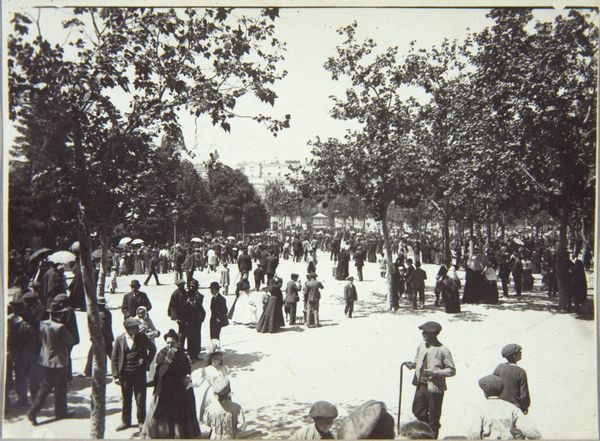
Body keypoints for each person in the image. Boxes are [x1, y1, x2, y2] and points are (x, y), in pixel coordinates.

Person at [142, 329, 200, 439]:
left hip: (180, 388)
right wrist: (168, 360)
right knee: (162, 414)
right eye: (167, 342)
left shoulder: (182, 354)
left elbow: (187, 369)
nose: (169, 345)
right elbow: (159, 374)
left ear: (177, 342)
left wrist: (188, 377)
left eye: (172, 342)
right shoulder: (162, 354)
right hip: (165, 388)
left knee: (182, 413)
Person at [27, 301, 76, 426]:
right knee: (59, 387)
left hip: (44, 360)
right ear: (59, 314)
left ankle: (58, 411)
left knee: (47, 386)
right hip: (59, 362)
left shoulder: (42, 324)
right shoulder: (60, 327)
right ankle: (35, 411)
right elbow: (71, 340)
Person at [405, 321, 456, 439]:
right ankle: (431, 426)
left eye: (426, 332)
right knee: (417, 411)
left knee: (434, 416)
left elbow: (452, 370)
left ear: (435, 334)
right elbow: (417, 360)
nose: (423, 334)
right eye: (423, 332)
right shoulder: (421, 346)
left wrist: (435, 373)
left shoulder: (443, 350)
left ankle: (432, 433)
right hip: (420, 385)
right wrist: (412, 365)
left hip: (435, 388)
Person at [112, 317, 156, 431]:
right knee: (126, 398)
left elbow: (153, 349)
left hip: (139, 373)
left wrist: (146, 363)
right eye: (134, 327)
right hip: (125, 374)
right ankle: (125, 422)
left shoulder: (142, 337)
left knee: (140, 398)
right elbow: (114, 358)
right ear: (128, 328)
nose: (137, 329)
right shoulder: (119, 339)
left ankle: (141, 422)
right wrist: (116, 375)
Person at [467, 375, 541, 439]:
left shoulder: (481, 409)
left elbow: (473, 435)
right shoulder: (513, 409)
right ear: (501, 391)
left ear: (485, 392)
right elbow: (532, 433)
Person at [193, 349, 230, 422]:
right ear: (211, 359)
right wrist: (193, 385)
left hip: (223, 390)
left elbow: (226, 380)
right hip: (213, 391)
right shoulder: (207, 370)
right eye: (215, 359)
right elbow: (201, 381)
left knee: (227, 405)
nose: (217, 361)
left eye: (219, 359)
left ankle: (225, 421)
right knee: (216, 406)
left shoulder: (223, 368)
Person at [492, 344, 531, 414]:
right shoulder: (521, 372)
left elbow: (492, 385)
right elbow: (524, 394)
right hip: (515, 408)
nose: (521, 353)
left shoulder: (499, 368)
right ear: (514, 355)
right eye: (519, 351)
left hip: (500, 406)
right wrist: (525, 406)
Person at [84, 298, 114, 377]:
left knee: (92, 354)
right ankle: (118, 370)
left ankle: (88, 371)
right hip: (108, 337)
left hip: (101, 338)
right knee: (112, 355)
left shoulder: (99, 314)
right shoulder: (107, 312)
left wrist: (93, 337)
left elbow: (99, 327)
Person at [181, 279, 207, 360]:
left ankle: (196, 354)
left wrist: (201, 320)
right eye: (191, 297)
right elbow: (183, 315)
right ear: (189, 297)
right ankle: (191, 355)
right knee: (190, 340)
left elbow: (203, 312)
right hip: (189, 325)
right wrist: (186, 322)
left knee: (197, 339)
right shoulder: (186, 305)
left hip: (197, 324)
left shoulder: (198, 304)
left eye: (193, 297)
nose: (192, 299)